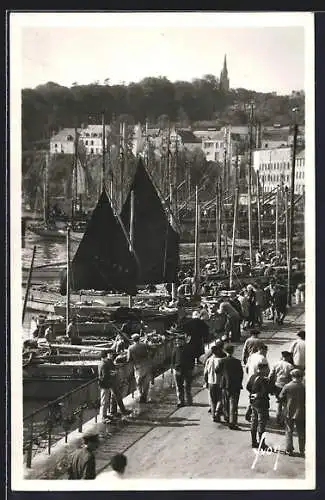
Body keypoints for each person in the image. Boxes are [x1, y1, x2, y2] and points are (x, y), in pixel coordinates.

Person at [278, 369, 305, 457]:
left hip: (289, 411)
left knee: (289, 430)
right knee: (301, 432)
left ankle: (289, 449)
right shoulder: (304, 387)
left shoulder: (287, 386)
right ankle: (302, 450)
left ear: (292, 376)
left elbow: (280, 397)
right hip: (301, 411)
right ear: (301, 377)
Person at [246, 362, 273, 449]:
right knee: (261, 423)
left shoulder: (253, 376)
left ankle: (254, 442)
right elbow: (267, 391)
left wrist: (253, 393)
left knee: (254, 421)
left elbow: (248, 387)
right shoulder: (264, 379)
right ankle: (262, 443)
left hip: (253, 402)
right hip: (262, 403)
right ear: (264, 369)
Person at [216, 344, 243, 429]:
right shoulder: (237, 362)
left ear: (224, 351)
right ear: (233, 351)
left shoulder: (222, 361)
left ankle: (227, 418)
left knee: (225, 402)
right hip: (235, 385)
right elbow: (241, 374)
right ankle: (233, 422)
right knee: (233, 404)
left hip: (225, 385)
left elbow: (217, 371)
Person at [268, 351, 295, 424]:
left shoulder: (276, 364)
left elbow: (271, 376)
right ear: (288, 357)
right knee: (285, 404)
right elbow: (293, 378)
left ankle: (278, 417)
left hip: (277, 386)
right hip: (286, 386)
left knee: (279, 402)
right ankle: (282, 420)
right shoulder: (290, 366)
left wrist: (270, 386)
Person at [171, 335, 195, 408]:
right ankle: (180, 401)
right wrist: (173, 368)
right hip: (178, 370)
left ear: (183, 341)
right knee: (179, 387)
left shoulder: (189, 348)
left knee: (187, 386)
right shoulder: (175, 349)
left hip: (187, 370)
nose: (177, 342)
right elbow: (172, 359)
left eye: (179, 341)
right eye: (176, 341)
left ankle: (189, 400)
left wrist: (191, 368)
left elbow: (192, 359)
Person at [127, 333, 151, 403]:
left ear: (133, 340)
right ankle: (145, 397)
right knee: (146, 383)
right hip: (146, 365)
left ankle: (140, 395)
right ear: (139, 338)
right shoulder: (144, 345)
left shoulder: (130, 348)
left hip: (138, 367)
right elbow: (152, 348)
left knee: (139, 383)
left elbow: (128, 359)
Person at [204, 342, 225, 422]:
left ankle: (213, 415)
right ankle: (217, 412)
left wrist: (206, 381)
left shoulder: (209, 360)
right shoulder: (221, 360)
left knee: (212, 400)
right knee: (220, 398)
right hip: (219, 382)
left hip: (211, 382)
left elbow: (205, 373)